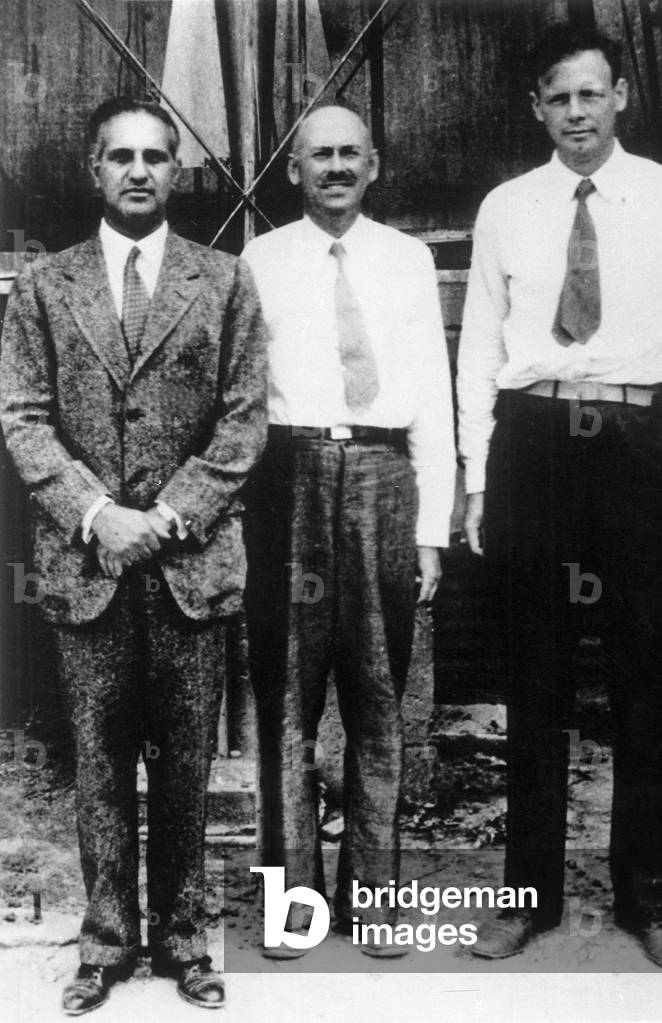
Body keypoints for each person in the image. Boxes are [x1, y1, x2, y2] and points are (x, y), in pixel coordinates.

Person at [457, 23, 662, 970]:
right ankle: (525, 898)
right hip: (536, 442)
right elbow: (479, 351)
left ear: (619, 96)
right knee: (535, 677)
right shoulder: (506, 208)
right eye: (557, 97)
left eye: (591, 94)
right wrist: (480, 474)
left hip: (638, 442)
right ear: (537, 107)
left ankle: (650, 896)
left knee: (648, 674)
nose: (576, 113)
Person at [0, 97, 267, 1012]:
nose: (140, 171)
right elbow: (24, 418)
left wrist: (173, 513)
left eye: (157, 156)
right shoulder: (44, 287)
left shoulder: (225, 280)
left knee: (187, 761)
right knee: (102, 760)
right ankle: (107, 943)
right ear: (94, 168)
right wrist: (96, 514)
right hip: (91, 567)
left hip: (190, 564)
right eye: (122, 156)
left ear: (179, 171)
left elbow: (243, 420)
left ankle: (187, 939)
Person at [241, 105, 455, 958]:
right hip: (285, 477)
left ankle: (375, 900)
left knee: (377, 694)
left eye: (350, 154)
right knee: (286, 700)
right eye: (318, 154)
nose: (335, 167)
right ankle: (295, 907)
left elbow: (433, 400)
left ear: (376, 165)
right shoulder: (257, 261)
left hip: (383, 477)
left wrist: (431, 529)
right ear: (293, 171)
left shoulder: (408, 260)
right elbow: (239, 396)